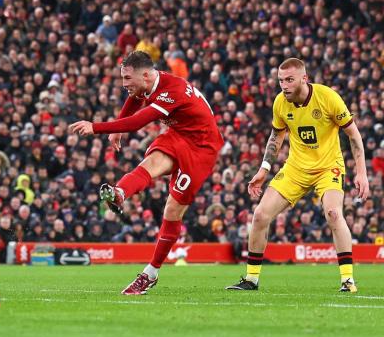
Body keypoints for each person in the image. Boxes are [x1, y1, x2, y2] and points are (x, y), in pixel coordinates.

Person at [69, 50, 223, 295]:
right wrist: (117, 127)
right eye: (123, 78)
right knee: (149, 164)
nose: (124, 84)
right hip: (179, 134)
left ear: (146, 75)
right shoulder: (149, 83)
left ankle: (151, 273)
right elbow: (134, 99)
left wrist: (97, 127)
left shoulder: (171, 92)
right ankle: (120, 192)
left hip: (202, 146)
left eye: (128, 79)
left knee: (173, 209)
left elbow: (138, 122)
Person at [227, 58, 369, 293]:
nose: (284, 85)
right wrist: (263, 170)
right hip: (295, 168)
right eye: (281, 80)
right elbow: (276, 138)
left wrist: (361, 173)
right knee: (261, 215)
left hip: (328, 167)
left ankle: (347, 280)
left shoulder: (328, 98)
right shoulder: (281, 103)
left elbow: (354, 136)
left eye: (290, 80)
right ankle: (251, 279)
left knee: (334, 213)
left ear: (304, 78)